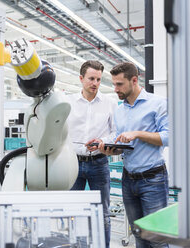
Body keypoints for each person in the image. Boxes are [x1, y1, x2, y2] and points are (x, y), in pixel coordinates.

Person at [94, 62, 169, 248]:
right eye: (114, 84)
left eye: (120, 84)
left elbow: (168, 137)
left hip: (153, 180)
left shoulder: (157, 104)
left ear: (134, 80)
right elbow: (122, 144)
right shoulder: (120, 110)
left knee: (157, 239)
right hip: (129, 180)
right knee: (139, 237)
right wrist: (108, 148)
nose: (115, 89)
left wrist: (137, 133)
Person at [66, 60, 118, 248]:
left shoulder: (110, 103)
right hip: (72, 164)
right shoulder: (68, 102)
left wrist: (103, 142)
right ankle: (76, 245)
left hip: (99, 162)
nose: (95, 83)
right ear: (81, 79)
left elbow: (116, 132)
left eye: (98, 79)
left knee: (103, 212)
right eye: (91, 78)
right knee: (73, 210)